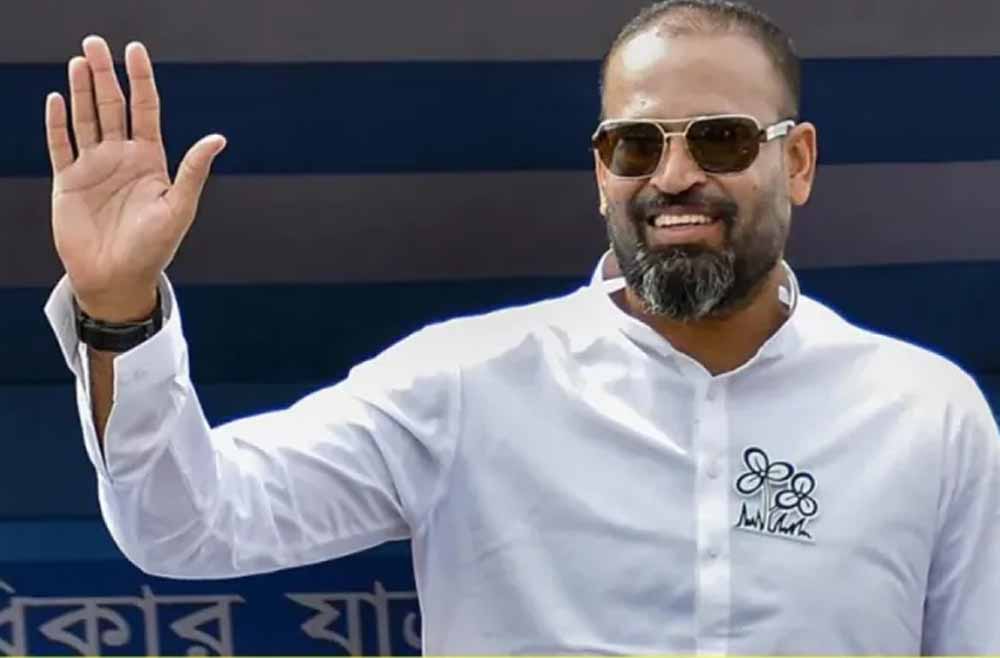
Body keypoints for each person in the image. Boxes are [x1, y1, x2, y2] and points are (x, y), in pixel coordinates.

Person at [43, 0, 999, 654]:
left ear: (798, 163)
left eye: (722, 138)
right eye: (634, 145)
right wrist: (119, 311)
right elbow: (186, 527)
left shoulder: (925, 412)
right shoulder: (465, 383)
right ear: (600, 174)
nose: (673, 177)